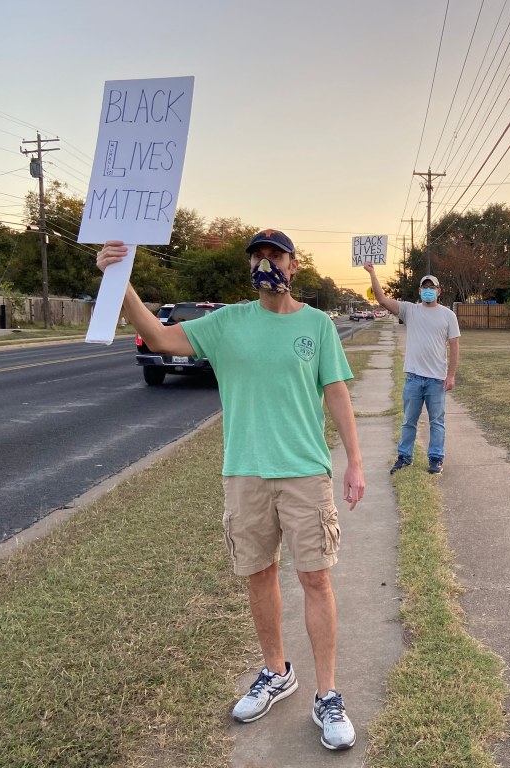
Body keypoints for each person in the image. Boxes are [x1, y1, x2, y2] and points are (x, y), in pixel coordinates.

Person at [96, 230, 366, 751]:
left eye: (276, 255)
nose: (267, 263)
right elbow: (159, 338)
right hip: (244, 472)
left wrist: (354, 462)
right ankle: (275, 673)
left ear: (294, 264)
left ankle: (327, 695)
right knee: (259, 575)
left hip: (305, 472)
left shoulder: (317, 325)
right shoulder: (227, 323)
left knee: (316, 581)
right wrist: (121, 280)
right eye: (258, 256)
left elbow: (336, 394)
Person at [363, 264, 459, 475]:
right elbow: (382, 300)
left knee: (437, 422)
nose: (428, 290)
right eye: (425, 287)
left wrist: (450, 375)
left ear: (438, 291)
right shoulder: (410, 310)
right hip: (414, 378)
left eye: (432, 287)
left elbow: (454, 347)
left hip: (436, 380)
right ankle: (404, 457)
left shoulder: (448, 316)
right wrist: (372, 273)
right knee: (409, 421)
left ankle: (435, 459)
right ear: (419, 291)